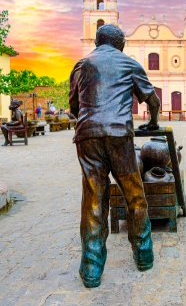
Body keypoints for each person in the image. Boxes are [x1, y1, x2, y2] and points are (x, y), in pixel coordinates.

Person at [69, 24, 160, 288]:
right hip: (120, 137)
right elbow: (152, 100)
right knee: (134, 194)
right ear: (121, 44)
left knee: (93, 200)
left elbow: (74, 106)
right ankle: (144, 255)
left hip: (88, 137)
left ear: (98, 42)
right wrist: (153, 123)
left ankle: (91, 269)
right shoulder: (129, 63)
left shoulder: (81, 64)